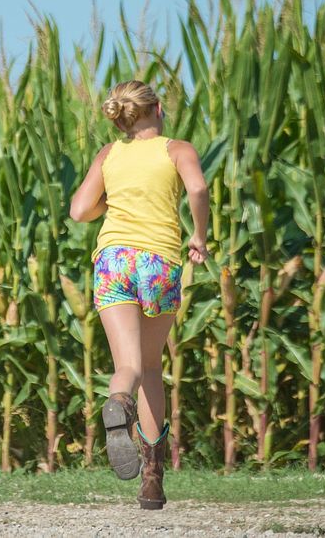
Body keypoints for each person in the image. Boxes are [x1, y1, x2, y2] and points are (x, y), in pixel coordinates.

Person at [69, 80, 209, 511]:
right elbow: (198, 190)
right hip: (159, 263)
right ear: (158, 109)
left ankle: (117, 402)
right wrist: (199, 236)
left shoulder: (110, 154)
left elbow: (79, 210)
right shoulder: (177, 149)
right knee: (151, 366)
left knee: (127, 366)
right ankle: (152, 480)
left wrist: (111, 206)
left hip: (113, 260)